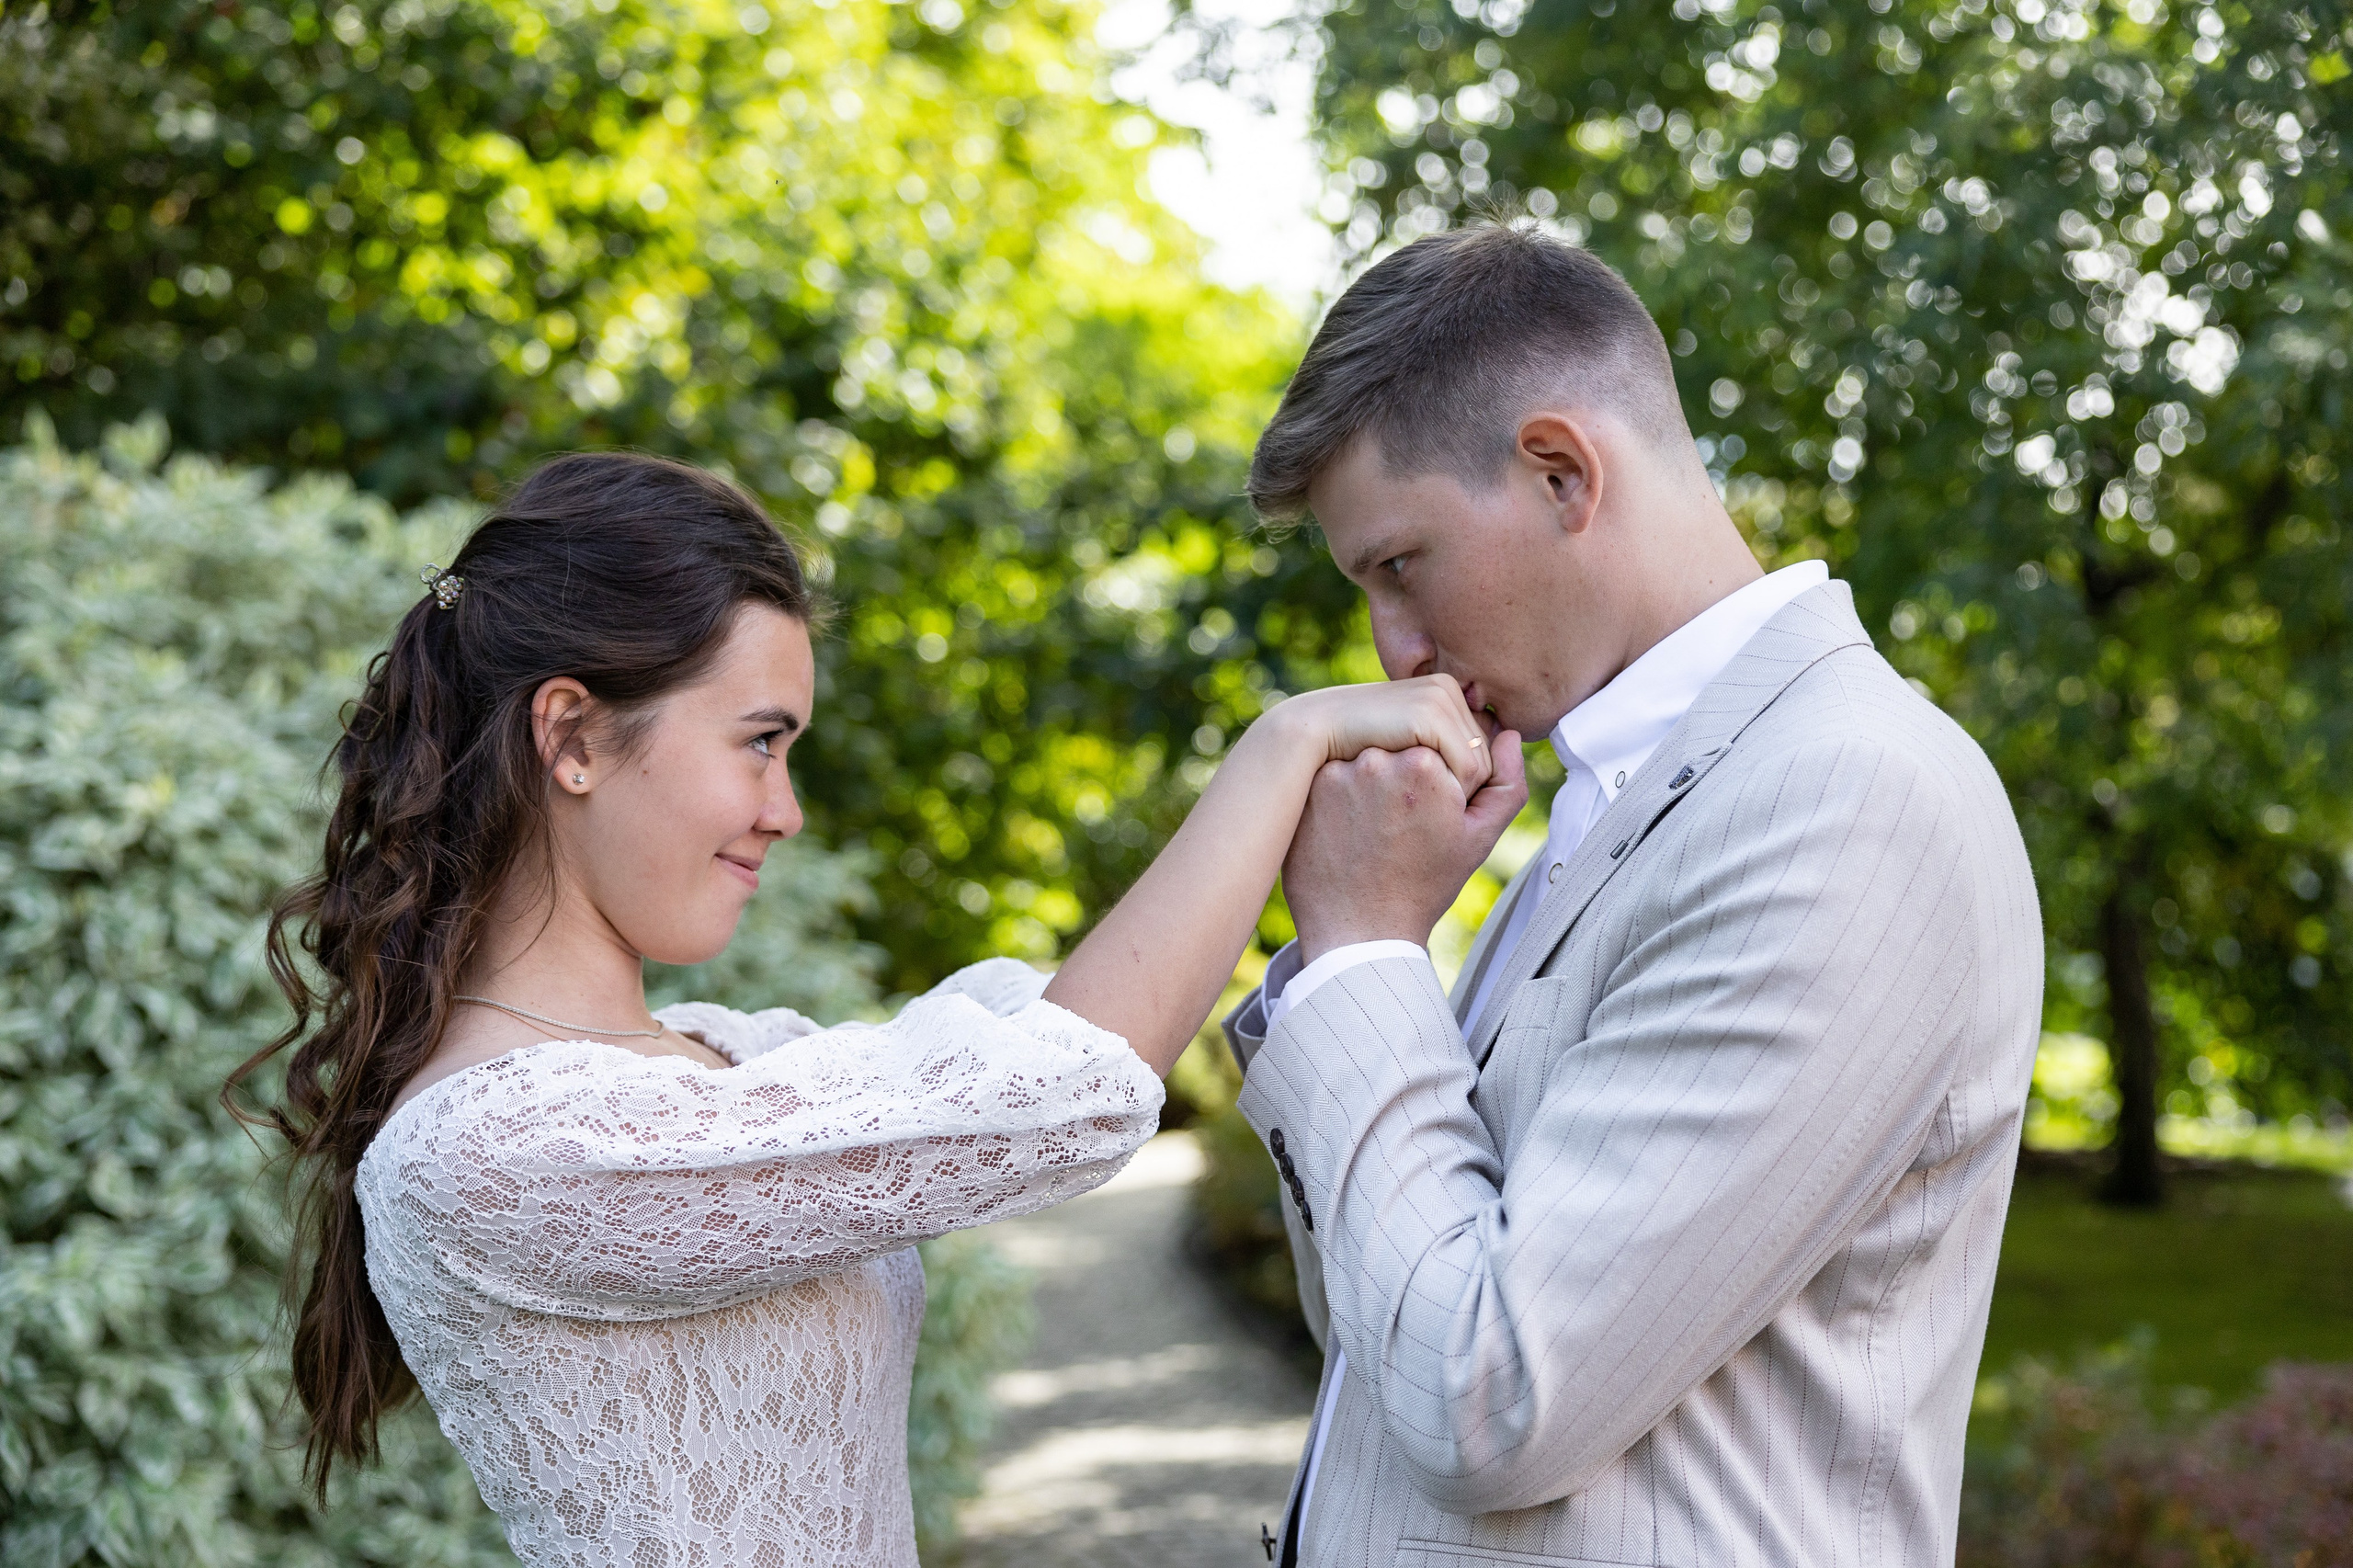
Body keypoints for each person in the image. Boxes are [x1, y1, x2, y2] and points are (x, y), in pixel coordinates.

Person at [226, 450, 1495, 1568]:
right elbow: (1064, 1087)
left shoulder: (722, 1058)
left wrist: (1343, 871)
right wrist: (1291, 743)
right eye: (760, 741)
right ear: (570, 734)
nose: (787, 808)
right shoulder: (495, 1150)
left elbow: (1029, 1037)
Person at [1222, 223, 2043, 1567]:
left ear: (1561, 471)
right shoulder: (1617, 794)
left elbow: (1490, 1402)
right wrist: (1352, 959)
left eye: (1399, 564)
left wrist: (1367, 955)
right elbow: (1383, 1325)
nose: (1394, 646)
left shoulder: (1844, 800)